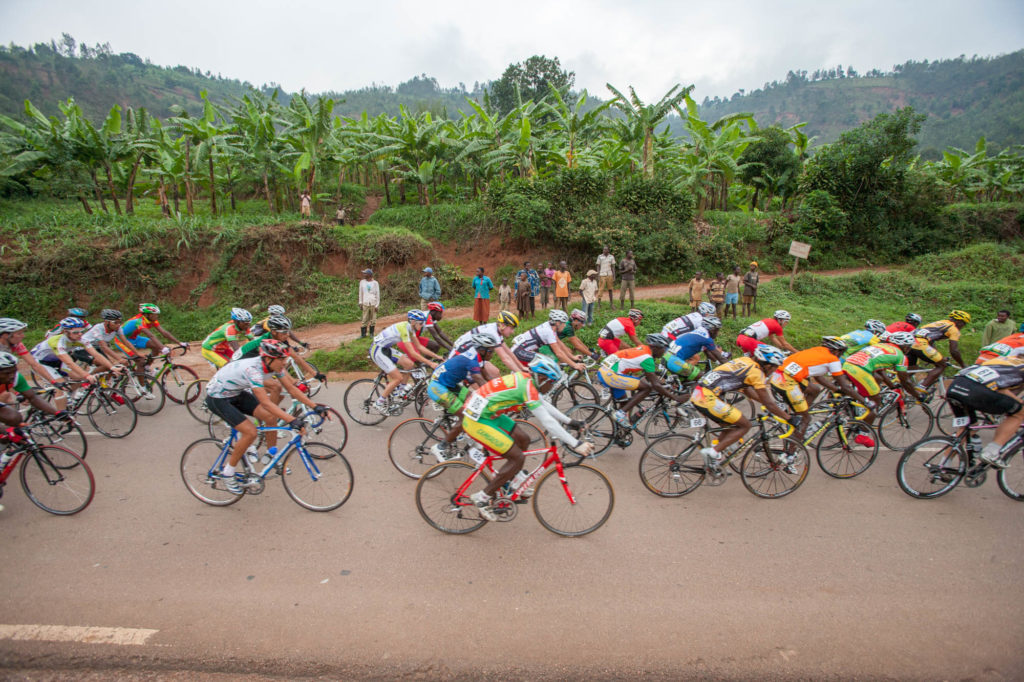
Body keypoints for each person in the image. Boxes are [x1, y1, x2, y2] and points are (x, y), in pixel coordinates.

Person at [463, 356, 595, 519]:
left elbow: (544, 404)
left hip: (489, 414)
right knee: (517, 458)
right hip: (476, 420)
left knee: (523, 439)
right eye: (551, 382)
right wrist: (576, 443)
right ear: (541, 378)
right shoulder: (526, 387)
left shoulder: (527, 380)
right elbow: (547, 421)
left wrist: (571, 421)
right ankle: (482, 498)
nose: (551, 386)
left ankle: (513, 480)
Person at [206, 340, 328, 494]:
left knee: (270, 418)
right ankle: (228, 473)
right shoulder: (253, 370)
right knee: (250, 432)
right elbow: (266, 402)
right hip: (217, 397)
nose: (284, 362)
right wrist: (292, 420)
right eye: (281, 360)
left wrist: (315, 406)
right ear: (268, 359)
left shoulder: (275, 366)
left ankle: (272, 455)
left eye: (285, 359)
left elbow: (291, 389)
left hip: (235, 392)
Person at [688, 344, 793, 467]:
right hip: (707, 398)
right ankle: (712, 452)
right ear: (769, 365)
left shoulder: (745, 361)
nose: (773, 371)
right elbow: (769, 403)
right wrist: (789, 418)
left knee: (731, 426)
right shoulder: (756, 373)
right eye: (774, 368)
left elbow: (748, 391)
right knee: (745, 425)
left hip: (700, 393)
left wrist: (770, 405)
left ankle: (714, 458)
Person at [768, 336, 872, 441]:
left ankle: (799, 412)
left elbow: (819, 377)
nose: (841, 355)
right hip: (787, 382)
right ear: (836, 351)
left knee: (815, 389)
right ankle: (790, 453)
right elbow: (846, 386)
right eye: (841, 353)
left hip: (777, 375)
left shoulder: (816, 351)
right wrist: (865, 402)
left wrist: (836, 390)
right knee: (806, 419)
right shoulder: (832, 359)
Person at [426, 333, 500, 462]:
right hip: (438, 387)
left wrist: (500, 387)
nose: (492, 354)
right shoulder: (471, 359)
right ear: (482, 350)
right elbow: (480, 381)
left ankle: (465, 433)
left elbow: (487, 376)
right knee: (466, 416)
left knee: (473, 400)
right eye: (491, 351)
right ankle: (440, 447)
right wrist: (496, 396)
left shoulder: (478, 356)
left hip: (450, 385)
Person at [947, 355, 1024, 468]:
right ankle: (991, 452)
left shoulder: (1005, 360)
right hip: (975, 390)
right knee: (1018, 414)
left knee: (968, 428)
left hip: (955, 387)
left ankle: (944, 464)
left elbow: (1003, 387)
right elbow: (1000, 387)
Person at [842, 331, 925, 429]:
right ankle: (862, 432)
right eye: (909, 346)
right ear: (905, 346)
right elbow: (905, 381)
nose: (909, 348)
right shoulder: (901, 357)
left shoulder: (881, 345)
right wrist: (918, 396)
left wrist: (892, 386)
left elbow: (881, 372)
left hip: (847, 364)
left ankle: (851, 411)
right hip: (860, 370)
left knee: (866, 389)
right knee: (875, 401)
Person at [599, 333, 684, 427]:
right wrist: (675, 397)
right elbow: (655, 384)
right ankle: (620, 414)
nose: (665, 352)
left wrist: (663, 385)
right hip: (611, 375)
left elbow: (651, 377)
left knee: (625, 403)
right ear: (656, 347)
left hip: (604, 371)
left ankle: (619, 431)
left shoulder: (643, 349)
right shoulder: (647, 358)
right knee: (646, 388)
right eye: (664, 349)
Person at [370, 310, 439, 412]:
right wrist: (430, 363)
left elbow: (419, 347)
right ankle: (379, 403)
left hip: (385, 349)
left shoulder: (411, 329)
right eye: (420, 323)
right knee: (398, 378)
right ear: (413, 322)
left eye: (423, 323)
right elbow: (413, 353)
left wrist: (436, 356)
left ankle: (400, 392)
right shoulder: (404, 329)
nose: (422, 325)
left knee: (409, 364)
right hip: (377, 350)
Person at [448, 311, 526, 380]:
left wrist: (521, 367)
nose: (513, 332)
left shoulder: (497, 329)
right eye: (511, 328)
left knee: (495, 373)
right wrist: (521, 374)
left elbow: (508, 351)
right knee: (480, 390)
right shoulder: (492, 332)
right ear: (503, 325)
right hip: (460, 358)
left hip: (472, 357)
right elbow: (505, 359)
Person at [116, 303, 188, 372]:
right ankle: (142, 382)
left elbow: (164, 332)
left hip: (134, 338)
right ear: (147, 315)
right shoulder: (139, 321)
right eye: (155, 314)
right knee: (140, 361)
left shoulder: (152, 320)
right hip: (122, 341)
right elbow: (151, 335)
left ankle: (146, 367)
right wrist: (163, 348)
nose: (157, 316)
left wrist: (180, 343)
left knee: (155, 346)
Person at [510, 309, 586, 374]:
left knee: (548, 365)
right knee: (549, 365)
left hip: (521, 349)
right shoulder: (548, 332)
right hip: (519, 351)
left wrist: (572, 357)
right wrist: (575, 365)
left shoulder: (549, 326)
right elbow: (559, 353)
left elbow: (559, 344)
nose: (565, 326)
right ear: (558, 323)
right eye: (563, 323)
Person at [910, 310, 971, 389]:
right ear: (959, 322)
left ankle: (899, 385)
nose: (963, 326)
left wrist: (934, 354)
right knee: (942, 365)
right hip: (921, 344)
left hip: (909, 342)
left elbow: (930, 339)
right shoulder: (954, 329)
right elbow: (954, 351)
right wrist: (963, 365)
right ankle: (922, 387)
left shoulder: (940, 323)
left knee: (912, 368)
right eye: (964, 324)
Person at [664, 318, 730, 381]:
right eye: (717, 330)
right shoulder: (706, 338)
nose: (717, 333)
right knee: (704, 379)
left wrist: (717, 363)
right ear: (712, 329)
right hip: (674, 361)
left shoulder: (698, 332)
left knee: (686, 383)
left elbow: (708, 353)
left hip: (666, 358)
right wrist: (731, 367)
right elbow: (720, 357)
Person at [0, 318, 60, 387]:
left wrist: (53, 381)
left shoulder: (17, 344)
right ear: (5, 335)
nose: (23, 336)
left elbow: (34, 364)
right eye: (19, 333)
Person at [358, 269, 380, 339]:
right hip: (365, 303)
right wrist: (360, 302)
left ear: (370, 275)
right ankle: (363, 334)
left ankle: (371, 334)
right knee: (364, 319)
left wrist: (377, 305)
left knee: (373, 319)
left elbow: (377, 294)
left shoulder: (375, 283)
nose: (364, 275)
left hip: (373, 303)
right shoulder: (362, 282)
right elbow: (360, 293)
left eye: (365, 273)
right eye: (364, 273)